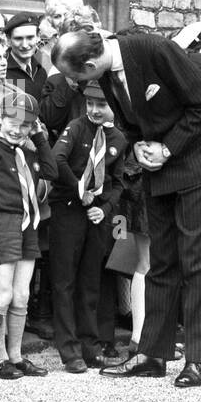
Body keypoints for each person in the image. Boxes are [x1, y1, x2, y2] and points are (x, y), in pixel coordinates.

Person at [53, 28, 201, 389]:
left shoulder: (153, 49)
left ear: (89, 63)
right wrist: (140, 148)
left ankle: (197, 359)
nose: (76, 84)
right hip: (158, 166)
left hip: (197, 160)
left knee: (196, 259)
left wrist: (168, 149)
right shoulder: (107, 73)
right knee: (161, 259)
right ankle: (152, 354)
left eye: (75, 76)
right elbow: (132, 122)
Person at [0, 87, 57, 379]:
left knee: (22, 294)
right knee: (3, 292)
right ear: (1, 117)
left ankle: (17, 356)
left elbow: (51, 172)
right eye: (13, 122)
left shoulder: (26, 150)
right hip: (3, 222)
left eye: (25, 124)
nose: (18, 129)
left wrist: (40, 138)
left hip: (28, 222)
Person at [49, 82, 126, 373]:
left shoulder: (117, 137)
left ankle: (90, 347)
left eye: (101, 105)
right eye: (90, 104)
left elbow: (117, 182)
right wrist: (79, 189)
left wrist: (104, 208)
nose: (94, 110)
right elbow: (57, 160)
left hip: (96, 216)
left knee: (90, 283)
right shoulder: (76, 128)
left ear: (114, 107)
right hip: (68, 210)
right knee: (65, 281)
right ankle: (69, 351)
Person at [5, 13, 47, 100]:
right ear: (8, 40)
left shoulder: (40, 72)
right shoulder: (0, 71)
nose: (24, 45)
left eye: (30, 37)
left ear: (38, 37)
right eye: (18, 38)